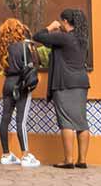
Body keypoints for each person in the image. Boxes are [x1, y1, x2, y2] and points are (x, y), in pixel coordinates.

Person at [35, 9, 91, 169]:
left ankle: (68, 160)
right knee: (81, 122)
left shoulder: (64, 38)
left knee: (66, 121)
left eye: (61, 21)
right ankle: (82, 160)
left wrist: (51, 27)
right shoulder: (82, 40)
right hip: (81, 82)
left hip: (64, 83)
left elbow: (38, 36)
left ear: (66, 21)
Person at [0, 19, 40, 168]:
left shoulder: (4, 48)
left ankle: (6, 154)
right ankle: (25, 155)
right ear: (18, 30)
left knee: (5, 119)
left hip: (7, 84)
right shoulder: (24, 46)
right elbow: (30, 66)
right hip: (21, 85)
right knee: (21, 121)